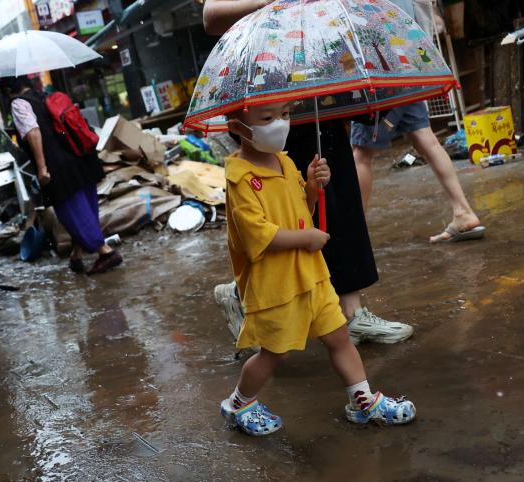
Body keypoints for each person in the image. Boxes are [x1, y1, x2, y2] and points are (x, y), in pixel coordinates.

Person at [205, 0, 414, 344]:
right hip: (263, 93)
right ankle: (244, 295)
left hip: (317, 78)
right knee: (280, 209)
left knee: (336, 190)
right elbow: (211, 17)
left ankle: (350, 312)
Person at [220, 100, 416, 435]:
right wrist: (305, 238)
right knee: (274, 354)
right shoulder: (241, 179)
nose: (280, 124)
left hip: (311, 275)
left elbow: (302, 209)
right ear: (238, 129)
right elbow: (257, 237)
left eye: (285, 115)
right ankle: (239, 403)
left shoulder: (284, 161)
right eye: (267, 118)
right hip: (276, 285)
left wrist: (311, 188)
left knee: (340, 337)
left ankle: (362, 401)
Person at [350, 0, 485, 243]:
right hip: (408, 65)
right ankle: (463, 212)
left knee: (362, 154)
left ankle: (354, 236)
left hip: (381, 72)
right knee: (426, 139)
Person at [5, 76, 122, 275]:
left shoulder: (19, 104)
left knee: (72, 214)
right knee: (85, 210)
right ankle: (76, 255)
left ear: (9, 90)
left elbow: (33, 132)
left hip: (58, 167)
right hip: (82, 159)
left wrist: (42, 168)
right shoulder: (47, 96)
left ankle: (106, 252)